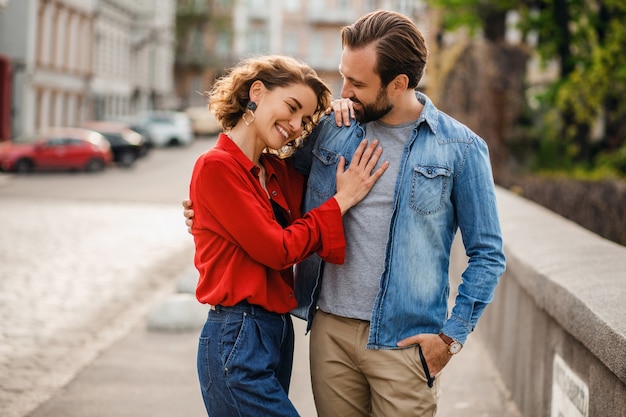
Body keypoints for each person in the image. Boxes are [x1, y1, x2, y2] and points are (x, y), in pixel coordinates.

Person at [185, 10, 506, 417]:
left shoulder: (459, 148)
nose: (345, 90)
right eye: (343, 76)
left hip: (404, 344)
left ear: (398, 84)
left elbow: (488, 254)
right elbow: (265, 189)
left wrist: (450, 338)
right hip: (330, 336)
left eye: (357, 83)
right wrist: (202, 213)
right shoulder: (332, 129)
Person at [187, 54, 388, 417]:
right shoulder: (216, 167)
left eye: (305, 119)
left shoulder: (276, 172)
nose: (296, 125)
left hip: (276, 331)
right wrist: (342, 199)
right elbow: (280, 249)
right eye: (292, 107)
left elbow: (312, 208)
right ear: (258, 92)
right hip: (237, 332)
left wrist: (340, 112)